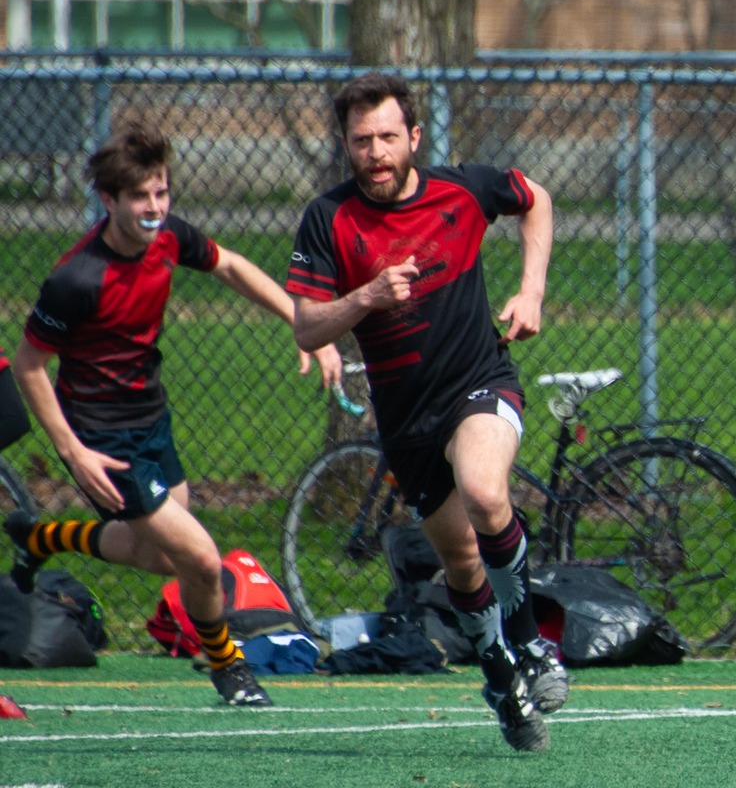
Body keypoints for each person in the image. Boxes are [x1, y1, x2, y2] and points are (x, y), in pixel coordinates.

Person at [6, 120, 343, 706]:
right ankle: (228, 666)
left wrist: (302, 321)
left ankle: (42, 538)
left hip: (152, 417)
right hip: (102, 438)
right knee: (201, 560)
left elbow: (231, 265)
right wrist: (72, 452)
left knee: (153, 554)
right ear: (108, 200)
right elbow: (29, 362)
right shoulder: (76, 278)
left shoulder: (168, 238)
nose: (155, 206)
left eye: (162, 192)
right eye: (140, 196)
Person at [285, 73, 569, 753]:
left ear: (413, 137)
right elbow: (306, 327)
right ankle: (498, 671)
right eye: (361, 140)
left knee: (485, 491)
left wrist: (531, 291)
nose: (375, 151)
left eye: (387, 136)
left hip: (478, 379)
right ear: (347, 146)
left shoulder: (461, 189)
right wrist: (367, 297)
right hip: (406, 417)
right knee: (463, 563)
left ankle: (531, 645)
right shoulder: (329, 219)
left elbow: (536, 199)